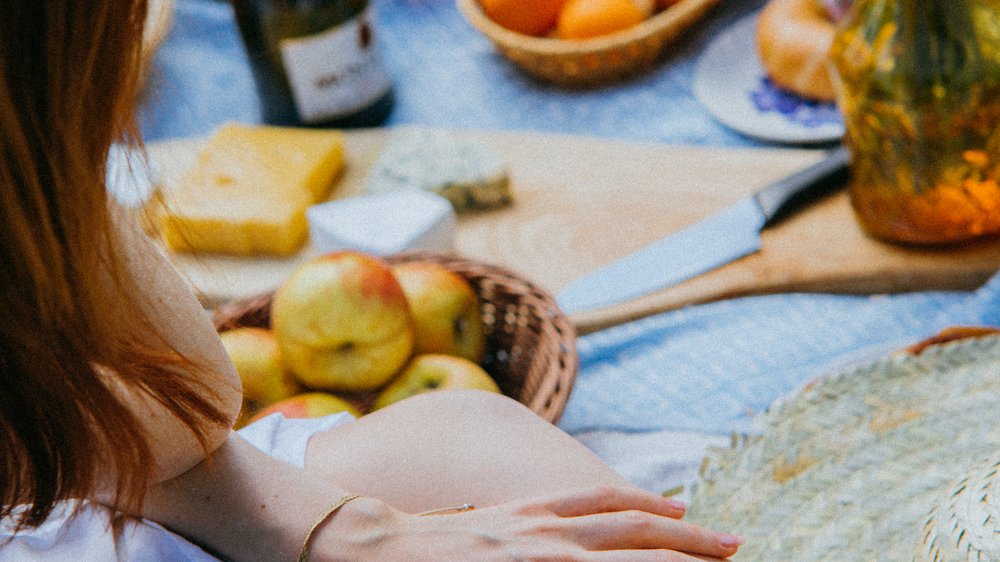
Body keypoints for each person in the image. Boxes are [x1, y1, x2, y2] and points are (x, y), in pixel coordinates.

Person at [0, 1, 745, 560]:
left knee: (469, 437)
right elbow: (188, 397)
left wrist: (346, 528)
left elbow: (173, 412)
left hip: (105, 487)